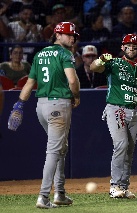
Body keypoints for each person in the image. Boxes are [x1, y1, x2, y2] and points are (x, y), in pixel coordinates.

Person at [7, 21, 80, 209]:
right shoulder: (65, 54)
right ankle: (43, 196)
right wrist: (76, 96)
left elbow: (30, 83)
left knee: (61, 148)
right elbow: (72, 80)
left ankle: (60, 193)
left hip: (41, 107)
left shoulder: (39, 55)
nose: (72, 37)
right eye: (68, 34)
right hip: (59, 105)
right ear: (57, 35)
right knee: (54, 151)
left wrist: (20, 103)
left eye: (73, 35)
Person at [90, 34, 137, 199]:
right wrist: (101, 59)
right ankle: (114, 186)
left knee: (130, 150)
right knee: (121, 145)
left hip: (133, 112)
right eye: (128, 46)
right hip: (116, 109)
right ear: (122, 48)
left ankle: (124, 187)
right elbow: (93, 68)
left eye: (134, 46)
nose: (131, 48)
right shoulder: (114, 63)